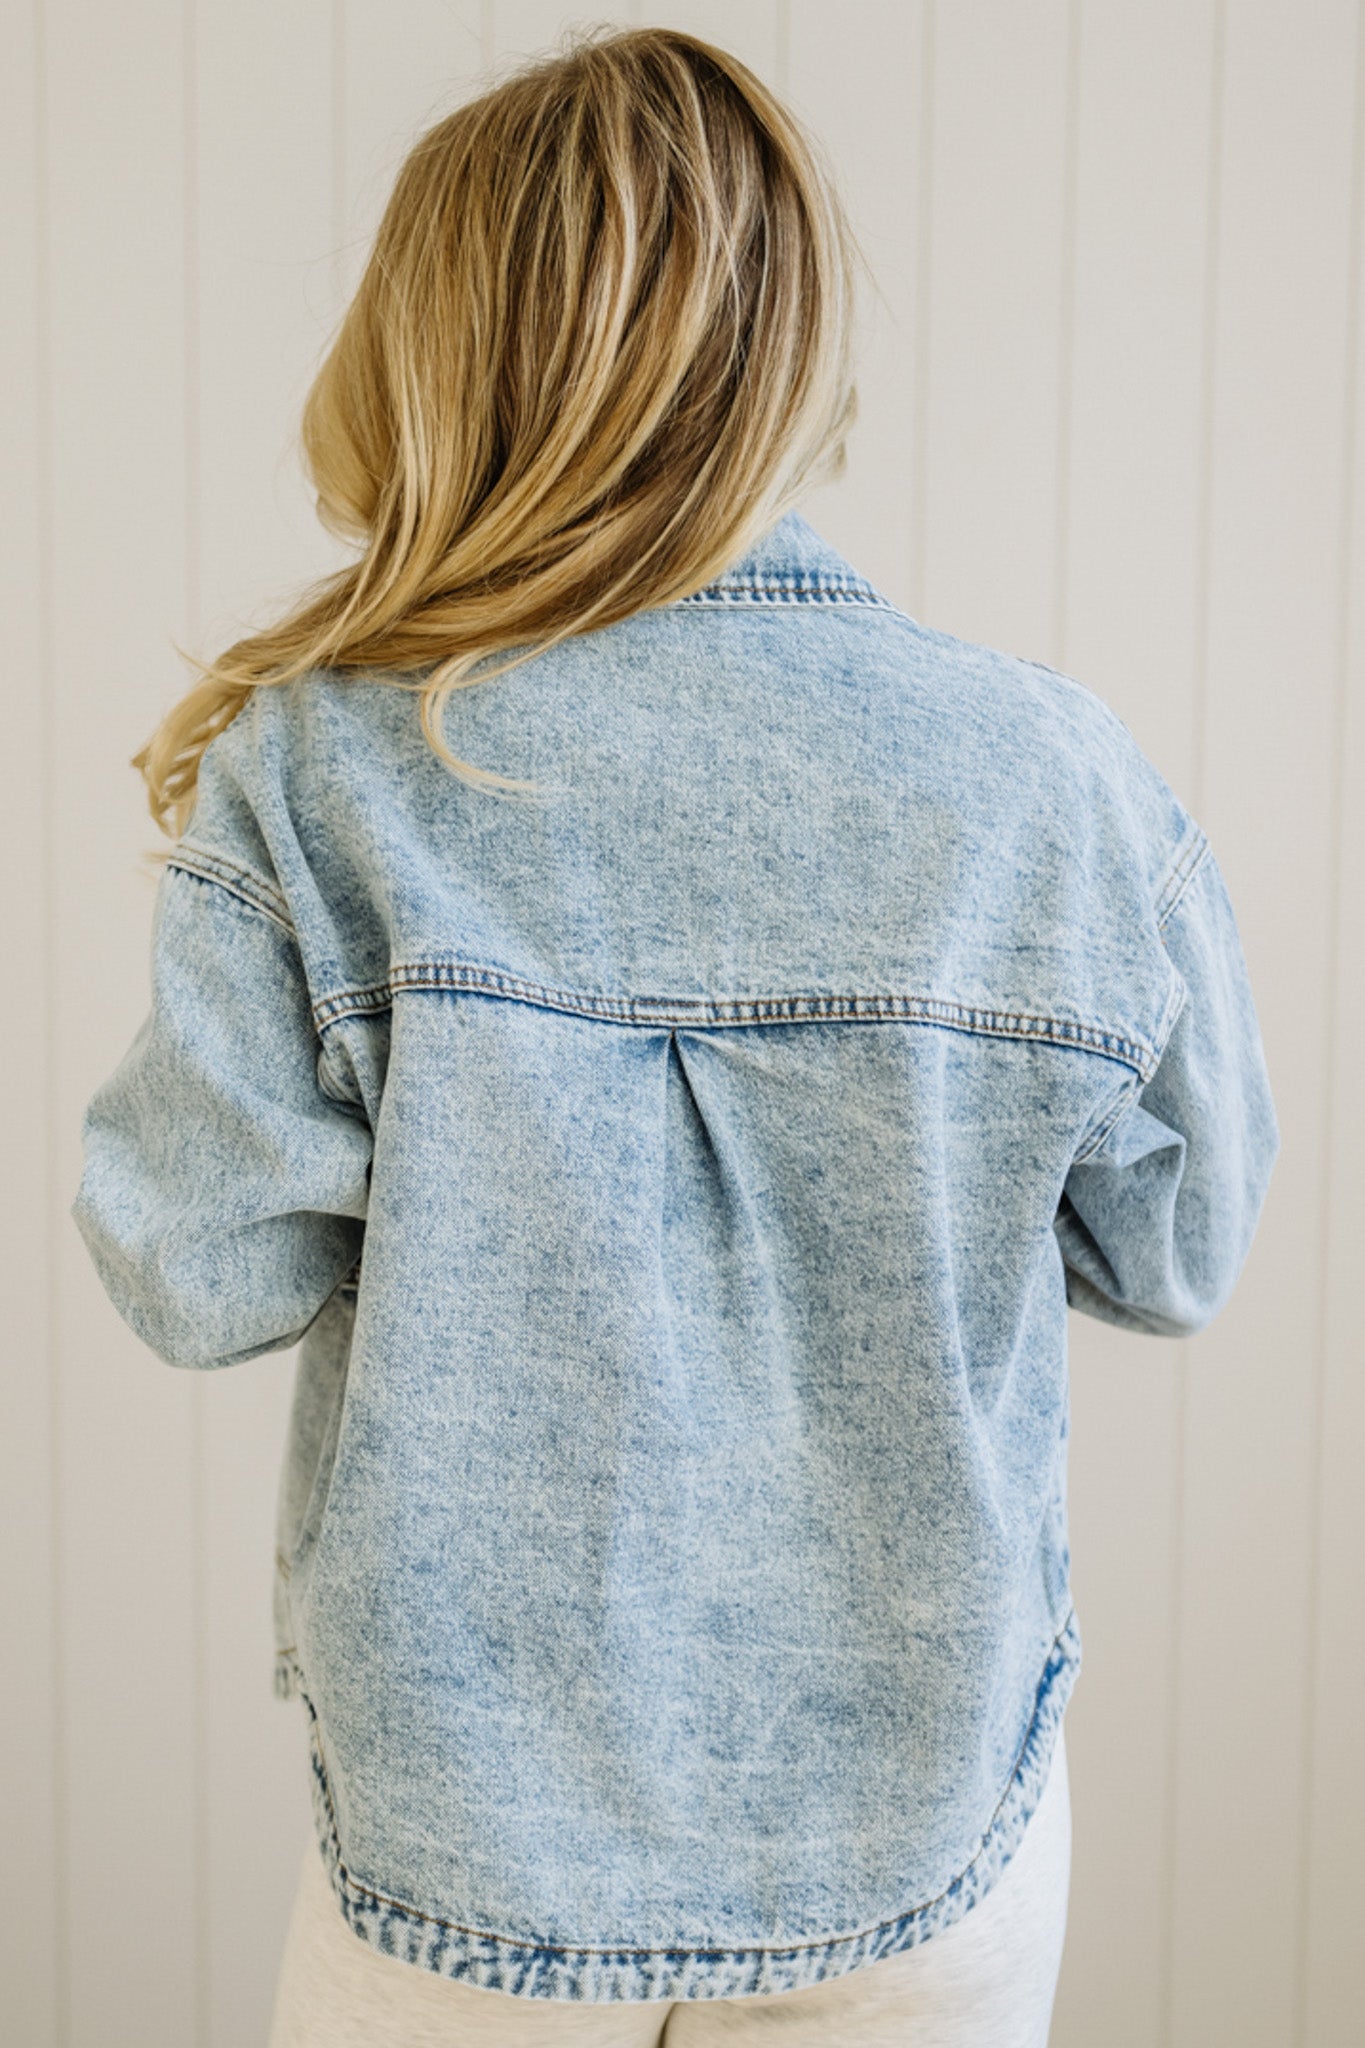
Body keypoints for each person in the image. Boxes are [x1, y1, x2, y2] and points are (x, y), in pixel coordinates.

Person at [69, 25, 1280, 2047]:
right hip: (918, 1827)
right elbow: (1174, 1248)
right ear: (787, 358)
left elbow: (189, 1273)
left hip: (466, 1848)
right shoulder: (1044, 777)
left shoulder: (327, 769)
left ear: (434, 357)